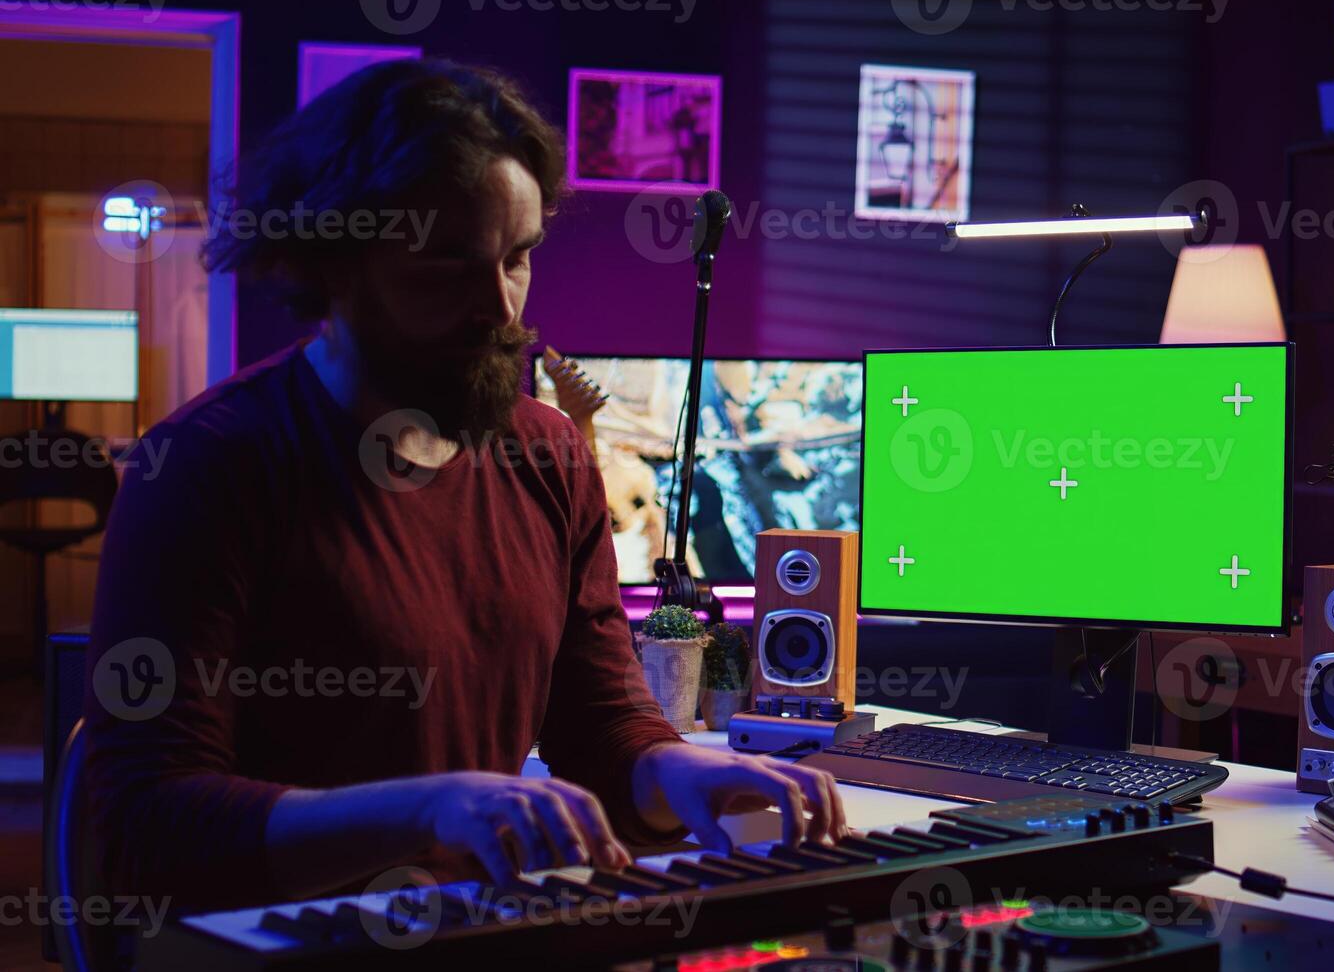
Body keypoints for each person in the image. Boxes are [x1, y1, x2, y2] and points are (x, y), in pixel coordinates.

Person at [81, 59, 846, 915]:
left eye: (518, 257)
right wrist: (431, 808)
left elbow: (600, 727)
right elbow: (144, 829)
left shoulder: (551, 456)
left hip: (483, 935)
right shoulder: (208, 466)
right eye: (448, 264)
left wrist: (684, 768)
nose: (501, 307)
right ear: (336, 263)